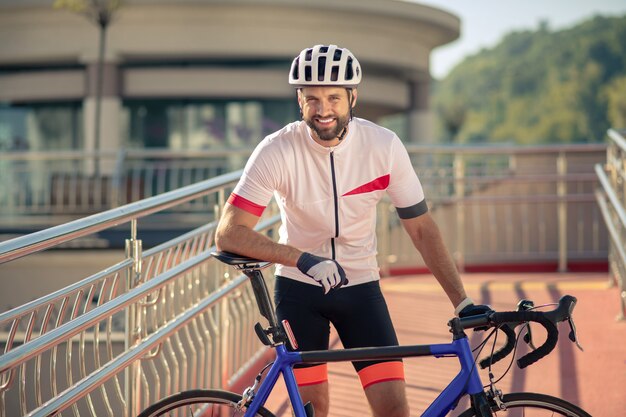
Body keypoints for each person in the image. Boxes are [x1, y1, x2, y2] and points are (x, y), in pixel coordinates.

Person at [215, 44, 490, 417]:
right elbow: (229, 232)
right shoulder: (277, 150)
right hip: (299, 290)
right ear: (300, 100)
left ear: (353, 97)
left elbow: (421, 227)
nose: (323, 109)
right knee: (315, 409)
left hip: (361, 287)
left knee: (394, 408)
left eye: (333, 97)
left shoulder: (383, 146)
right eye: (312, 99)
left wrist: (461, 301)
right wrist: (303, 259)